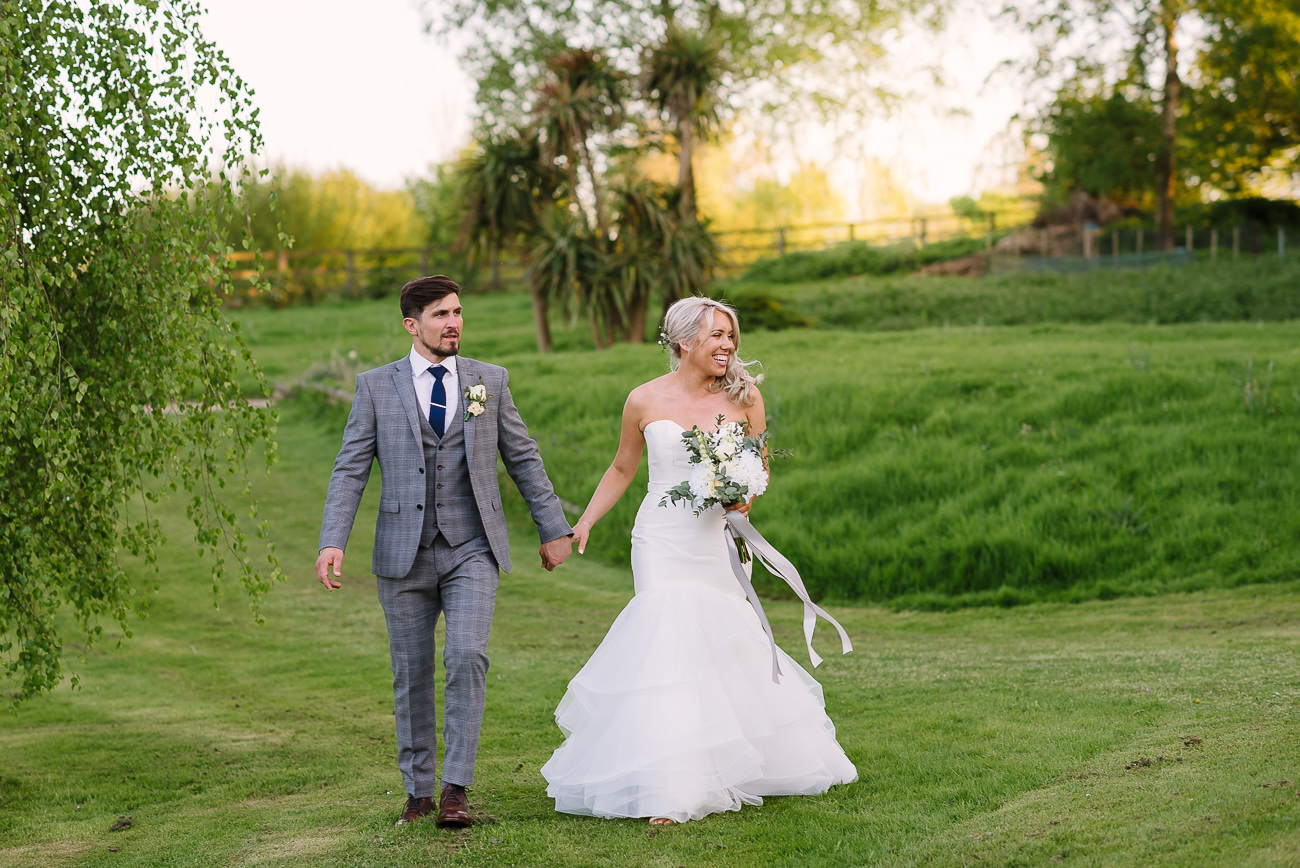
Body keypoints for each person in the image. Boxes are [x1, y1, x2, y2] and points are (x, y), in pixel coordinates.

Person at [540, 296, 856, 825]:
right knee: (669, 640)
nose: (728, 346)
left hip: (713, 540)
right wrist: (587, 521)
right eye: (717, 336)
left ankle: (734, 761)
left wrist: (744, 497)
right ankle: (672, 786)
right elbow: (621, 468)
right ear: (684, 340)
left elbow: (758, 467)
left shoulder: (746, 396)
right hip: (660, 539)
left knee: (720, 642)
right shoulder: (642, 400)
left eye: (732, 336)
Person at [316, 275, 573, 828]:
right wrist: (333, 539)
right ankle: (418, 791)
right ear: (412, 325)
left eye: (457, 312)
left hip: (471, 547)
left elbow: (523, 457)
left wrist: (554, 528)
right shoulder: (375, 387)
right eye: (440, 315)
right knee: (411, 672)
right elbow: (350, 467)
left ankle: (456, 788)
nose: (453, 322)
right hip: (401, 555)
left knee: (466, 656)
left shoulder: (490, 381)